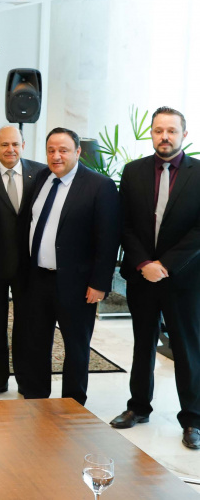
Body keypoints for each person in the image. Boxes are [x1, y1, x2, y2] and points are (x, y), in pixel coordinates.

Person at [110, 107, 200, 450]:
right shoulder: (133, 172)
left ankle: (193, 419)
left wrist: (166, 264)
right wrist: (144, 262)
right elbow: (125, 224)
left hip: (185, 280)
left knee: (188, 349)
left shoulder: (198, 173)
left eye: (172, 131)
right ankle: (138, 407)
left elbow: (198, 231)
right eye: (159, 130)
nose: (165, 136)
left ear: (183, 135)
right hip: (141, 276)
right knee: (142, 345)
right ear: (151, 133)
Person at [18, 127, 120, 406]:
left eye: (63, 150)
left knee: (75, 347)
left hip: (77, 283)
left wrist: (99, 283)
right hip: (39, 278)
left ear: (77, 152)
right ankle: (36, 397)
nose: (56, 155)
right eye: (51, 150)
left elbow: (108, 240)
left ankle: (72, 404)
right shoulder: (42, 177)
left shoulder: (100, 185)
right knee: (36, 342)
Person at [0, 125, 46, 399]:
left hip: (30, 267)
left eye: (15, 144)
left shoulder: (41, 173)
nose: (10, 150)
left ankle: (26, 380)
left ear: (24, 145)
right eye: (4, 145)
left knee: (27, 325)